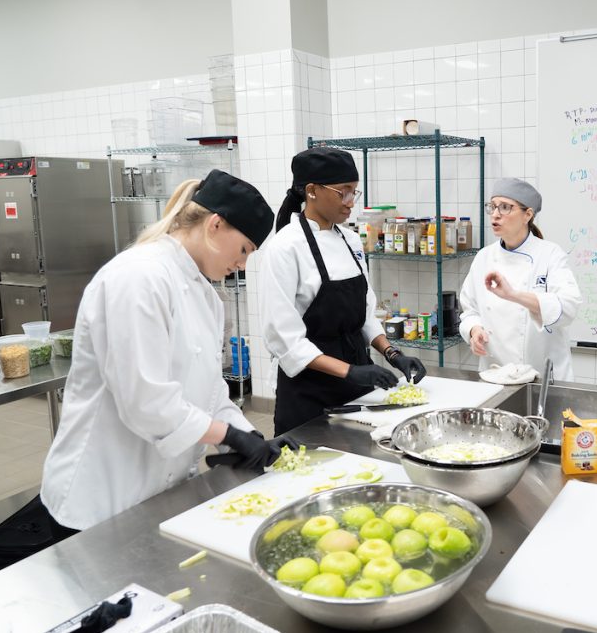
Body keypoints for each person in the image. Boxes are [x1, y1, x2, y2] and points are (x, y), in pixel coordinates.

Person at [40, 170, 281, 535]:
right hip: (103, 495)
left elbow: (210, 391)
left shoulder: (207, 297)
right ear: (215, 225)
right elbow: (145, 399)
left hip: (159, 490)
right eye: (245, 249)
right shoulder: (139, 276)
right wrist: (227, 436)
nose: (243, 264)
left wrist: (252, 436)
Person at [260, 147, 425, 436]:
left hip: (356, 382)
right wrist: (349, 371)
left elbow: (364, 311)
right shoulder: (284, 248)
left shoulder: (351, 240)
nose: (351, 203)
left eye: (354, 193)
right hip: (309, 389)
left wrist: (392, 353)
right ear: (312, 190)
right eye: (343, 192)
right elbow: (284, 340)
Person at [459, 177, 582, 380]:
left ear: (527, 215)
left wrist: (514, 295)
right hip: (495, 374)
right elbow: (469, 310)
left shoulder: (550, 254)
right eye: (493, 206)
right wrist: (474, 330)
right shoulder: (484, 258)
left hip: (542, 378)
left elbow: (568, 307)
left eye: (505, 207)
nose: (495, 215)